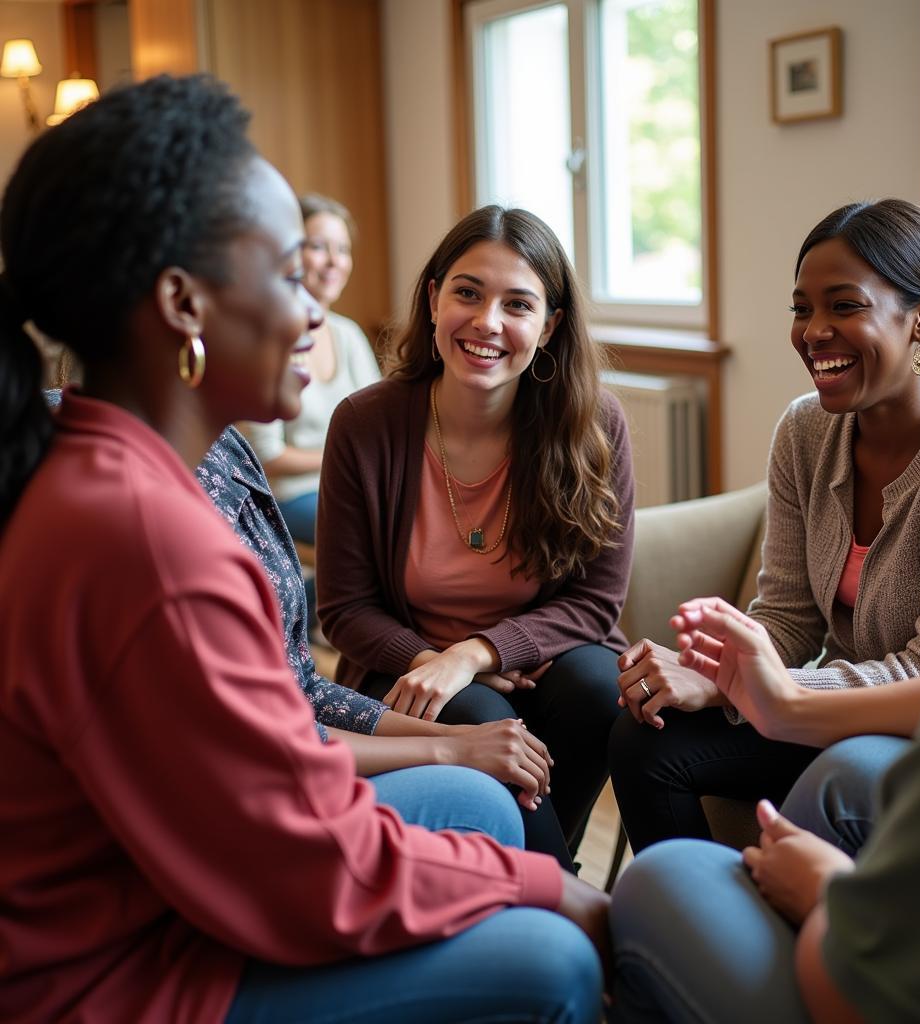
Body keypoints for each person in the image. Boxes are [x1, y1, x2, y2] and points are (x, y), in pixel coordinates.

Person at [0, 75, 607, 1023]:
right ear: (183, 305)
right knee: (552, 960)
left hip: (184, 881)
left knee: (490, 818)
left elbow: (276, 764)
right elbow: (293, 866)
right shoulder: (149, 545)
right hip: (123, 966)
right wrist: (548, 890)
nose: (318, 312)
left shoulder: (128, 470)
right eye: (290, 273)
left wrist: (456, 768)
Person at [607, 167, 920, 1023]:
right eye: (802, 307)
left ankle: (760, 965)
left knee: (839, 774)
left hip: (912, 734)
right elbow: (790, 614)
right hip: (818, 705)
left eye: (844, 305)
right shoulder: (805, 428)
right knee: (647, 735)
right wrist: (716, 673)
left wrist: (778, 694)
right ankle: (720, 952)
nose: (814, 330)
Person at [47, 381, 558, 813]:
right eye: (284, 278)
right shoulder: (96, 476)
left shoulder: (222, 444)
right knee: (479, 798)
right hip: (214, 808)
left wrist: (458, 737)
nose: (311, 312)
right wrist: (448, 751)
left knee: (507, 746)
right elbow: (244, 739)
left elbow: (300, 687)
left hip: (274, 763)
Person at [317, 205, 635, 869]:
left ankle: (538, 868)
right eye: (467, 293)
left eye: (517, 304)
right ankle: (559, 891)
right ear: (433, 300)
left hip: (543, 658)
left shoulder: (595, 424)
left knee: (601, 688)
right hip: (407, 671)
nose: (487, 322)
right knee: (476, 710)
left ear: (548, 327)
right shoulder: (365, 424)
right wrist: (434, 659)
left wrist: (473, 653)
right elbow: (344, 609)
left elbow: (597, 604)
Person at [244, 193, 380, 547]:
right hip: (289, 497)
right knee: (375, 533)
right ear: (289, 254)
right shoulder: (270, 337)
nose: (334, 261)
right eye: (319, 247)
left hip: (349, 485)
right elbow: (269, 456)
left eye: (344, 249)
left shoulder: (347, 334)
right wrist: (341, 456)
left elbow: (379, 423)